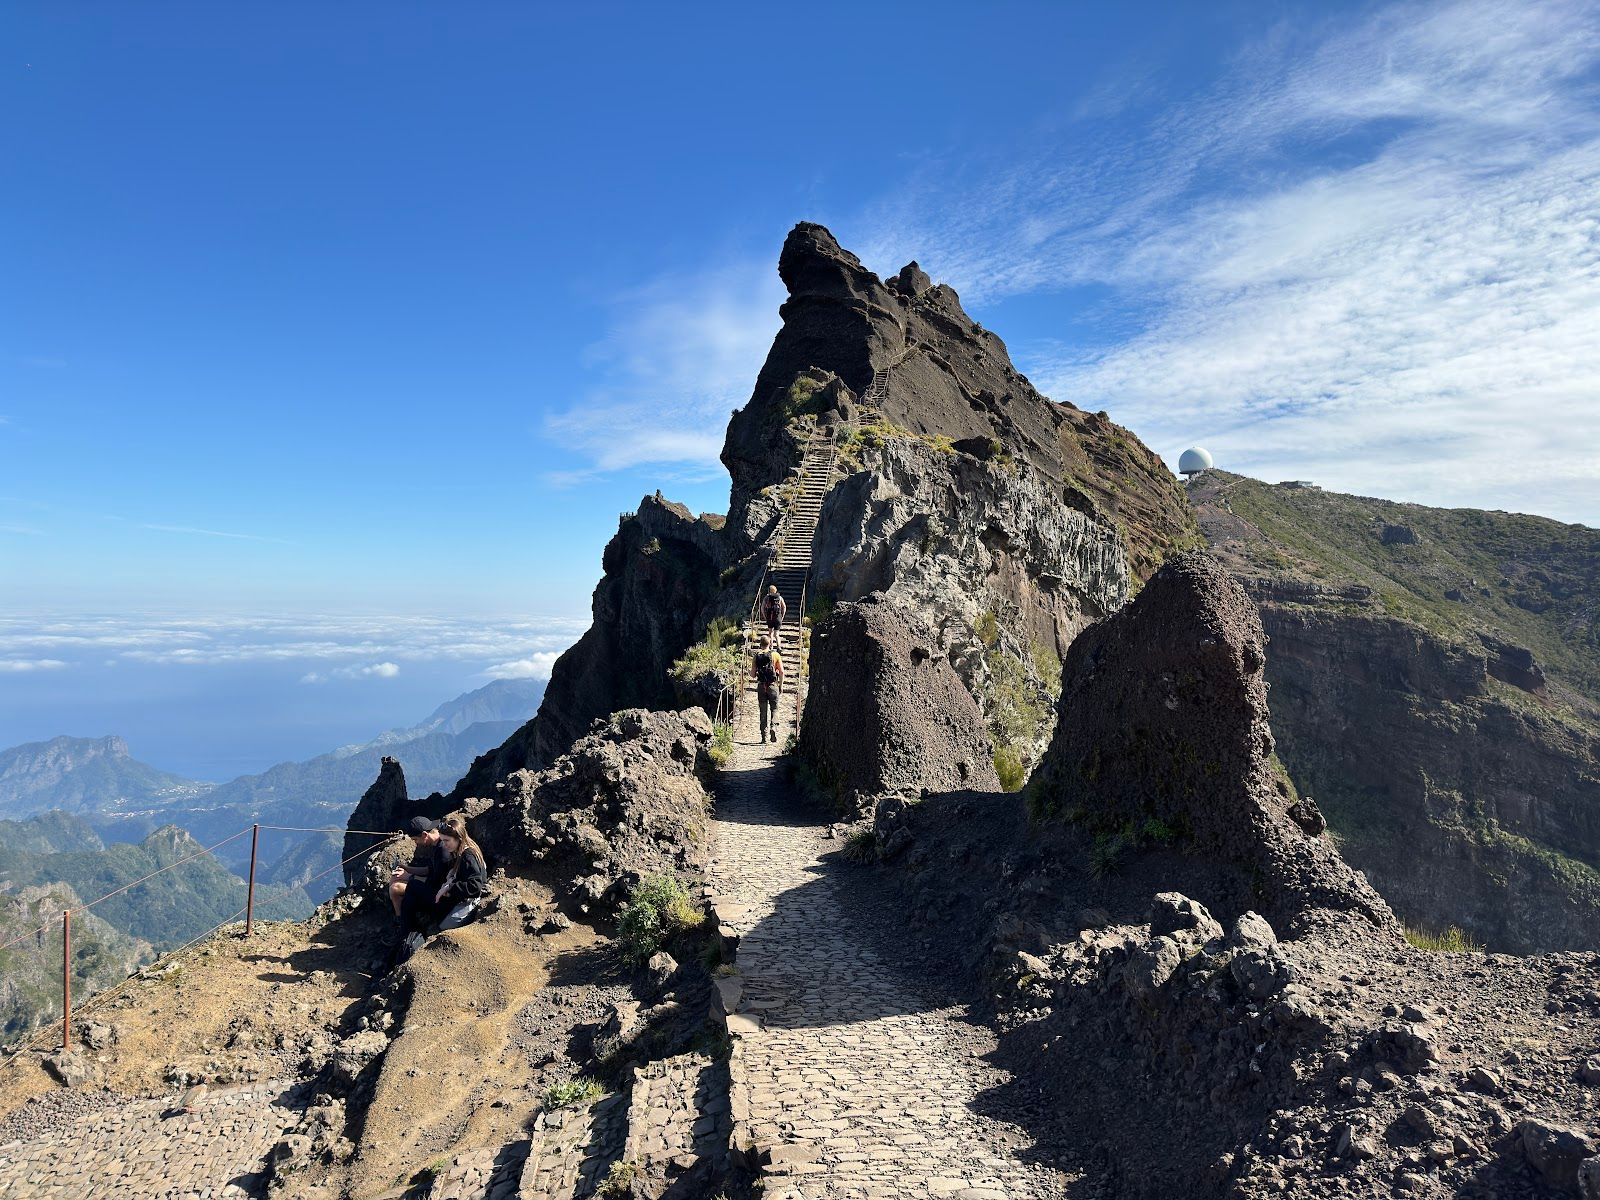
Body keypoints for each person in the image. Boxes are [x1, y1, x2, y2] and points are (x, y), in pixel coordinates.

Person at [389, 816, 448, 941]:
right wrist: (407, 869)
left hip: (440, 897)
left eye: (415, 839)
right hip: (436, 888)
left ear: (424, 834)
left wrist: (409, 877)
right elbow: (429, 870)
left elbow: (436, 881)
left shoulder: (443, 851)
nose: (416, 843)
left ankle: (405, 931)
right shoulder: (438, 844)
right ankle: (404, 927)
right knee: (395, 880)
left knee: (396, 888)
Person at [430, 817, 489, 932]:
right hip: (464, 896)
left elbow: (475, 885)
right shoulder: (464, 850)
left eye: (447, 840)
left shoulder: (468, 856)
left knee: (442, 927)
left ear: (458, 838)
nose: (444, 845)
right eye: (442, 841)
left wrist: (450, 888)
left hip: (472, 901)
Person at [752, 634, 784, 744]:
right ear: (770, 643)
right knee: (775, 708)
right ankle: (773, 727)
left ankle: (764, 737)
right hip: (773, 685)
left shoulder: (756, 656)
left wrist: (749, 671)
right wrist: (781, 685)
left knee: (763, 711)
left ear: (760, 644)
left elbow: (753, 674)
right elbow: (782, 672)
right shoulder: (775, 655)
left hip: (761, 686)